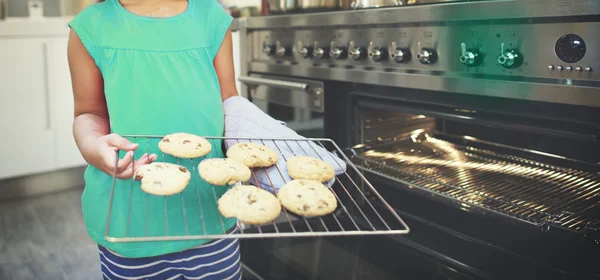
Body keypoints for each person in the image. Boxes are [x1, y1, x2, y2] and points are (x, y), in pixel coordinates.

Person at [67, 0, 242, 278]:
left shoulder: (212, 18)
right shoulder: (91, 27)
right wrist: (93, 146)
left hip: (209, 213)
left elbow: (229, 102)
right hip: (130, 224)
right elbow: (89, 112)